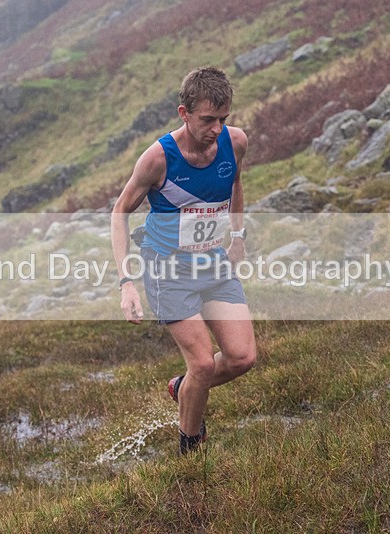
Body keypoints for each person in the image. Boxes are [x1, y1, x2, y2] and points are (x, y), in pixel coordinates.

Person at [111, 66, 257, 454]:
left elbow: (235, 183)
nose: (216, 129)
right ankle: (190, 449)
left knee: (242, 357)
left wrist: (238, 237)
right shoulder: (158, 159)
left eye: (223, 119)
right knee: (203, 365)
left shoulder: (234, 142)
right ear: (184, 113)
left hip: (212, 263)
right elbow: (120, 211)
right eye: (207, 120)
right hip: (167, 269)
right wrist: (126, 283)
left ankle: (183, 387)